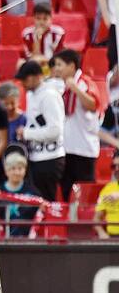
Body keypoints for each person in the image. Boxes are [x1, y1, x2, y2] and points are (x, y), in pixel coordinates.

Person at [50, 50, 103, 200]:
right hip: (65, 148)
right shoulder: (59, 85)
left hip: (84, 148)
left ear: (72, 66)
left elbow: (93, 105)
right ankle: (69, 222)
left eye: (60, 65)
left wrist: (76, 89)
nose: (57, 68)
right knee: (67, 191)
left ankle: (85, 223)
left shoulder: (86, 83)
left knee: (85, 195)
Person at [15, 59, 66, 200]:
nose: (23, 84)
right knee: (38, 201)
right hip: (37, 156)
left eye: (25, 79)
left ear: (36, 76)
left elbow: (55, 130)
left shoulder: (49, 95)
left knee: (46, 201)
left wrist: (26, 133)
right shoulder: (33, 94)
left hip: (50, 158)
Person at [0, 152, 45, 237]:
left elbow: (41, 213)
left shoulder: (33, 192)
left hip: (27, 240)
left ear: (25, 170)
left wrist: (43, 208)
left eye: (20, 168)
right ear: (6, 171)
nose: (17, 172)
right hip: (3, 240)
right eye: (13, 169)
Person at [94, 153, 119, 237]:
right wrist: (102, 233)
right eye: (114, 166)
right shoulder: (107, 190)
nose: (117, 169)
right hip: (113, 238)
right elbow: (96, 219)